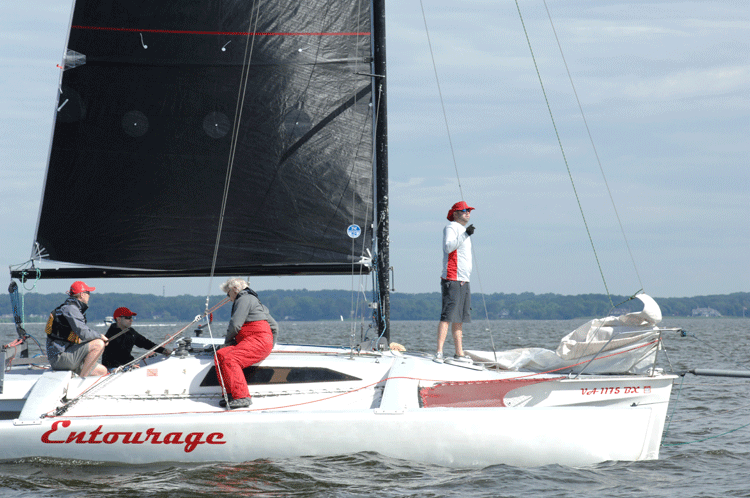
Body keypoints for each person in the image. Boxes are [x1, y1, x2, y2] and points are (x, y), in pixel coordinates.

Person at [215, 277, 279, 409]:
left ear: (234, 290)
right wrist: (270, 346)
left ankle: (242, 396)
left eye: (228, 294)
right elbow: (274, 326)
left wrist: (227, 342)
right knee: (220, 354)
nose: (229, 298)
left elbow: (235, 325)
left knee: (230, 359)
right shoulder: (255, 300)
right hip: (259, 341)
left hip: (257, 340)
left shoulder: (243, 299)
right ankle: (230, 394)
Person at [435, 201, 476, 363]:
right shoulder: (451, 227)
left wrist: (466, 233)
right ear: (455, 213)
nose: (468, 213)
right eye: (464, 210)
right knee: (447, 316)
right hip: (452, 277)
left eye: (469, 211)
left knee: (459, 317)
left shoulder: (462, 230)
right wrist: (466, 234)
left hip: (464, 279)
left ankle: (459, 353)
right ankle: (439, 352)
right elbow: (448, 247)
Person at [45, 281, 108, 377]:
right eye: (88, 293)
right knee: (99, 344)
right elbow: (84, 334)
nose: (89, 296)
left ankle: (82, 379)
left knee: (102, 371)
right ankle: (81, 381)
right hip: (60, 358)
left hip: (64, 355)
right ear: (82, 295)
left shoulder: (68, 308)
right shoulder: (71, 309)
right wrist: (100, 336)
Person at [101, 307, 172, 369]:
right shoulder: (111, 335)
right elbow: (112, 358)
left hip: (127, 365)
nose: (131, 320)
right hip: (113, 368)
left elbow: (146, 343)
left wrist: (163, 350)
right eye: (128, 317)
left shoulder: (130, 332)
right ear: (118, 319)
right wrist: (127, 367)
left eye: (131, 317)